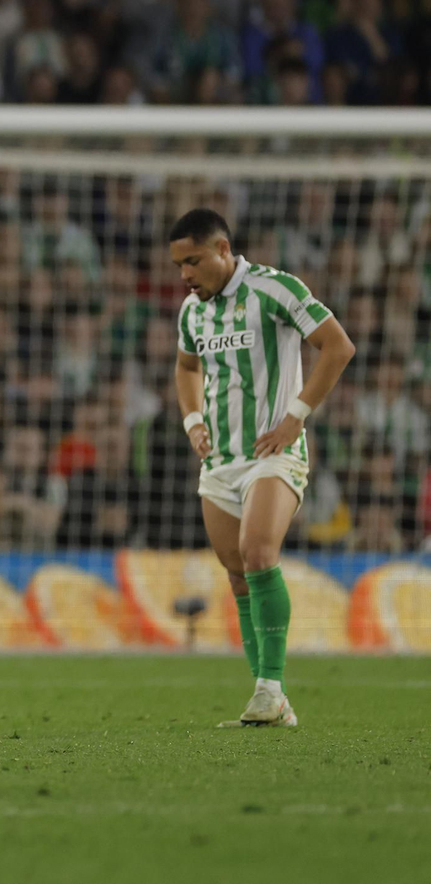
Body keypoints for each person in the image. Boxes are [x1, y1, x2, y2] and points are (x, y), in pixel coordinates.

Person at [169, 208, 355, 728]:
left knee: (257, 553)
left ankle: (271, 687)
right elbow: (186, 367)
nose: (185, 274)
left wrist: (296, 417)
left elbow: (338, 346)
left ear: (224, 250)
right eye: (179, 264)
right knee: (237, 574)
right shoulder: (192, 313)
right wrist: (192, 420)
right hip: (220, 461)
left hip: (273, 453)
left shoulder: (275, 289)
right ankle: (270, 699)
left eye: (193, 261)